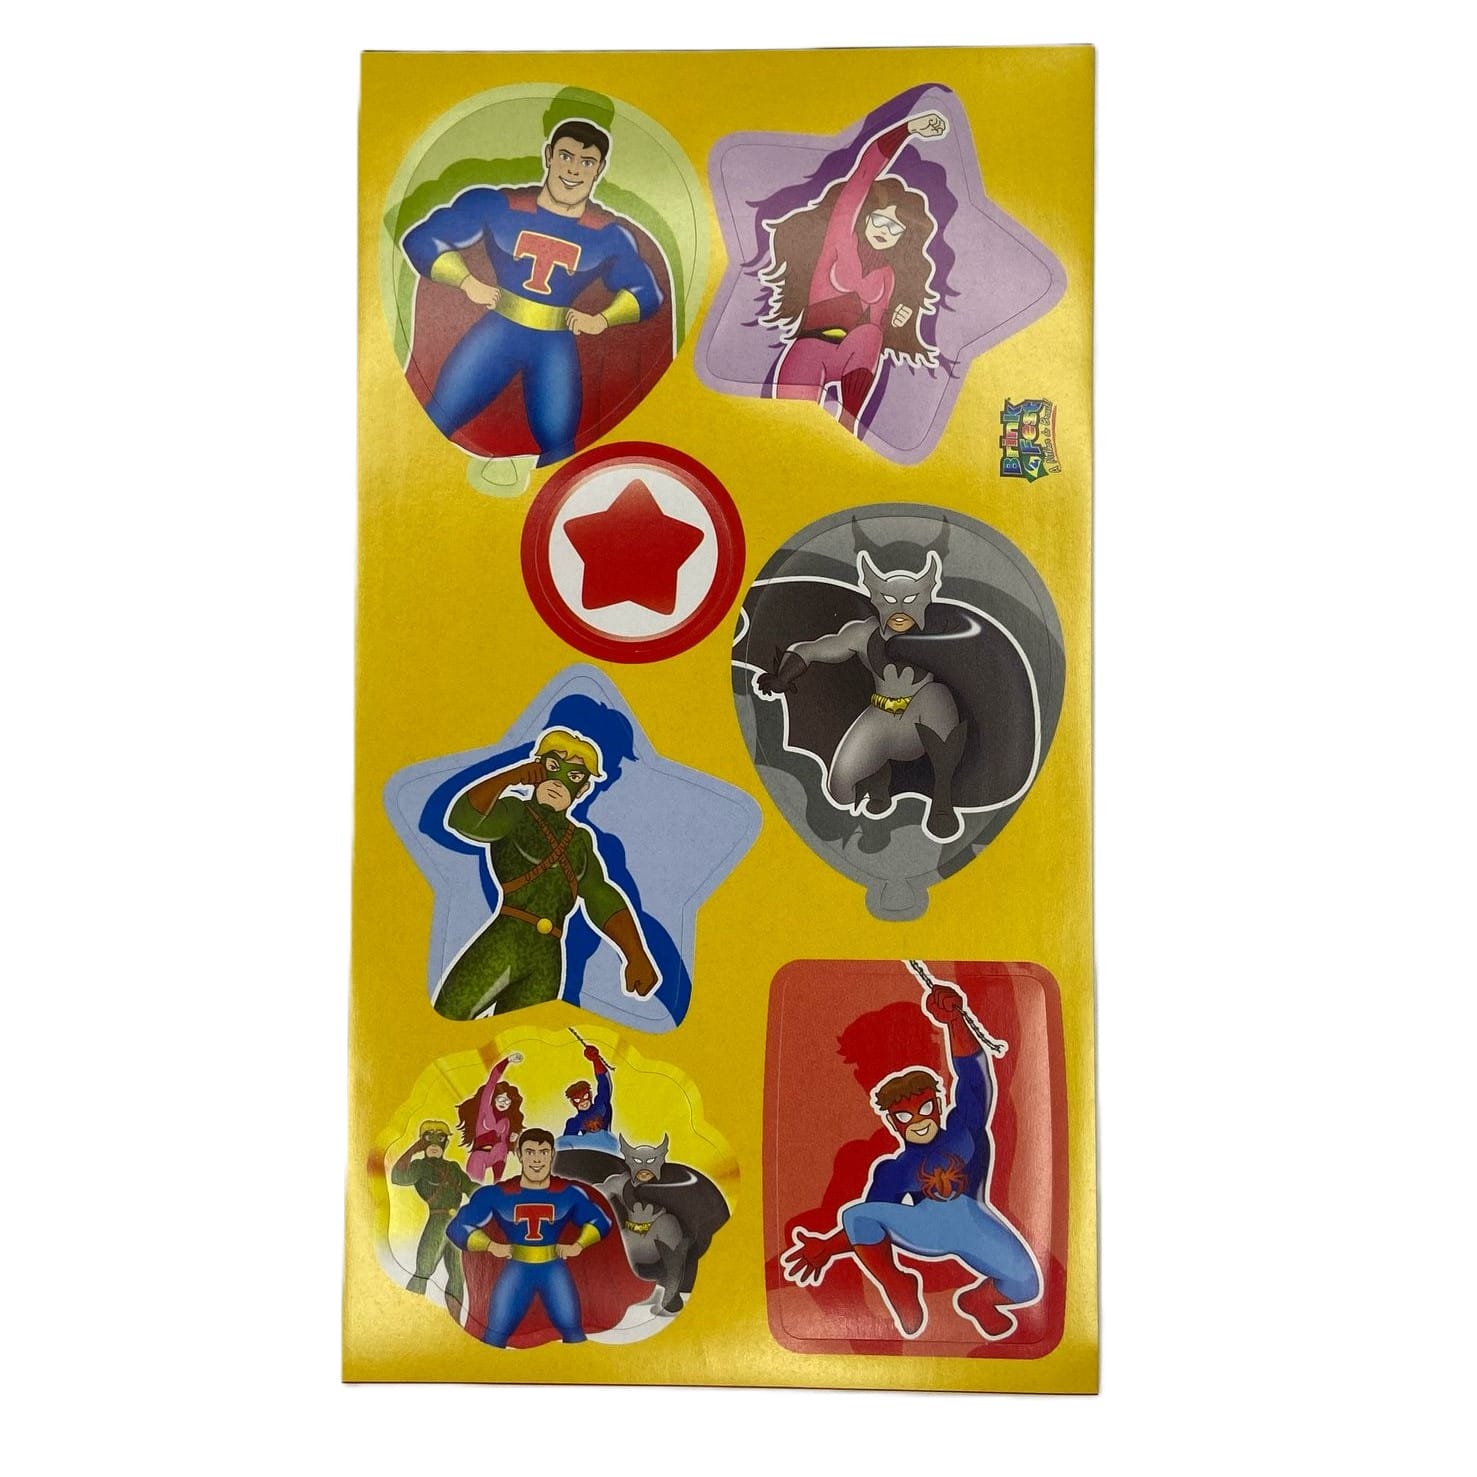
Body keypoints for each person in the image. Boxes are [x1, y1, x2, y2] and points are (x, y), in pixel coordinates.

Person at [779, 975, 1041, 1340]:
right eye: (904, 1116)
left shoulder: (963, 1128)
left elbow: (972, 1078)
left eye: (925, 1109)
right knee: (857, 1213)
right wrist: (827, 1246)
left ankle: (979, 1302)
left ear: (937, 1104)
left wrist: (954, 1022)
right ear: (892, 1122)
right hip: (924, 1229)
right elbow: (868, 1227)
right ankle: (898, 1285)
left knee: (1026, 1283)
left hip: (973, 1221)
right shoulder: (894, 1169)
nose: (918, 1121)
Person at [401, 119, 664, 465]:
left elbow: (646, 292)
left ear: (599, 169)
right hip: (497, 333)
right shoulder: (501, 206)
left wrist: (603, 319)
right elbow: (421, 239)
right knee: (437, 418)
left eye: (586, 162)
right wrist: (466, 281)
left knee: (561, 449)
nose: (574, 170)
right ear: (549, 155)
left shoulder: (608, 234)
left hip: (553, 346)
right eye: (566, 156)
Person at [434, 729, 659, 1018]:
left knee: (522, 1039)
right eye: (553, 766)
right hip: (504, 941)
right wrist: (510, 777)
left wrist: (635, 953)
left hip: (548, 958)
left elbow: (600, 895)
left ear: (583, 789)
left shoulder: (579, 840)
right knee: (447, 1018)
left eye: (574, 775)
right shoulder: (515, 812)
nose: (559, 780)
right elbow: (462, 819)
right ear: (538, 767)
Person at [761, 113, 946, 434]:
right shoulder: (839, 239)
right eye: (880, 220)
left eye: (896, 228)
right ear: (865, 217)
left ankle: (850, 425)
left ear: (904, 238)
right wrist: (908, 129)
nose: (885, 230)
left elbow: (874, 332)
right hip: (810, 348)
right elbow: (863, 173)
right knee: (787, 431)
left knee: (869, 335)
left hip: (855, 359)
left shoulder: (888, 275)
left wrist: (895, 322)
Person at [446, 1127, 613, 1347]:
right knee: (494, 1334)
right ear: (519, 1155)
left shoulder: (568, 1194)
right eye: (530, 1151)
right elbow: (457, 1227)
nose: (537, 1159)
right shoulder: (498, 1194)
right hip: (517, 1271)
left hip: (553, 1271)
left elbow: (600, 1221)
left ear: (552, 1155)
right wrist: (490, 1245)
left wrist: (579, 1245)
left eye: (543, 1152)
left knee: (573, 1333)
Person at [389, 1120, 476, 1319]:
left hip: (457, 1224)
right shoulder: (419, 1166)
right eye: (429, 1139)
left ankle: (454, 1323)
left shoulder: (453, 1167)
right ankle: (406, 1318)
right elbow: (397, 1177)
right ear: (422, 1142)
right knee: (423, 1272)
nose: (435, 1144)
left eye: (440, 1138)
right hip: (437, 1223)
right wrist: (414, 1149)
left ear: (446, 1142)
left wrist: (496, 1196)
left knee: (457, 1276)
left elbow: (471, 1187)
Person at [455, 1052, 526, 1182]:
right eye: (501, 1099)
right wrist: (507, 1060)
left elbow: (505, 1145)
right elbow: (492, 1080)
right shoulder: (485, 1108)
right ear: (494, 1098)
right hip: (479, 1155)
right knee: (474, 1186)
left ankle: (497, 1185)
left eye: (507, 1101)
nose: (504, 1103)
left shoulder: (506, 1121)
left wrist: (514, 1137)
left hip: (496, 1156)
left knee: (501, 1148)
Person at [559, 1043, 615, 1152]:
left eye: (585, 1096)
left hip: (609, 1150)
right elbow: (565, 1146)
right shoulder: (575, 1122)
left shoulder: (601, 1106)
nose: (583, 1101)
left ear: (590, 1094)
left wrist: (596, 1060)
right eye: (577, 1099)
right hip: (589, 1156)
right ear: (573, 1103)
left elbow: (604, 1083)